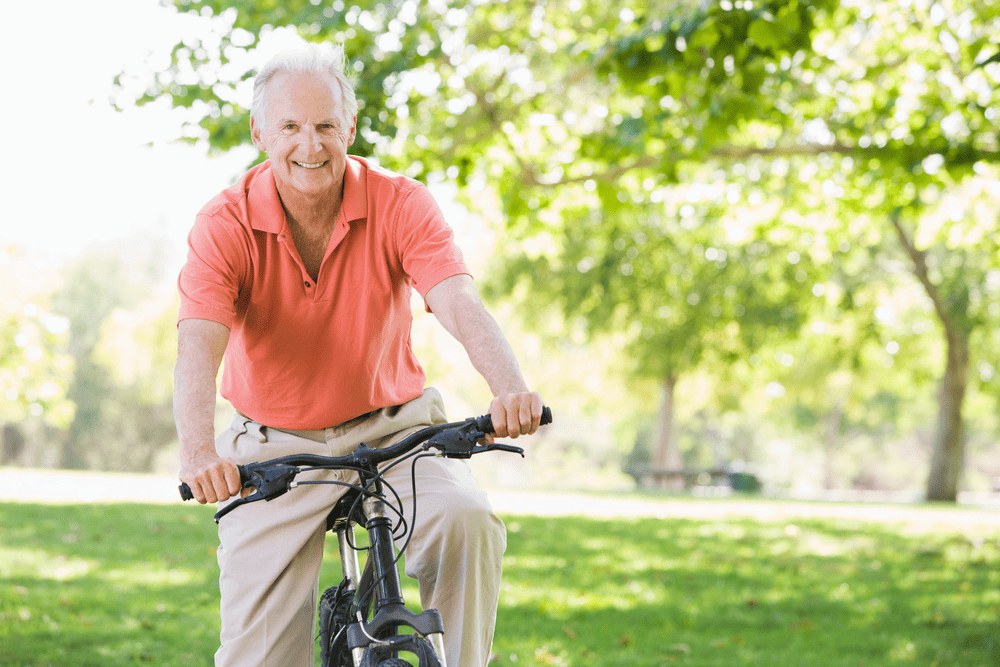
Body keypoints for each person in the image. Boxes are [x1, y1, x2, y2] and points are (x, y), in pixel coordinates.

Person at [173, 41, 544, 667]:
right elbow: (198, 339)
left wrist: (509, 385)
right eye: (290, 126)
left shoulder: (400, 201)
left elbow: (456, 299)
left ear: (350, 125)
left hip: (394, 428)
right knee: (255, 657)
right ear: (261, 132)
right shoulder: (225, 223)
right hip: (275, 444)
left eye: (325, 125)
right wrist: (197, 451)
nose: (310, 146)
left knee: (468, 521)